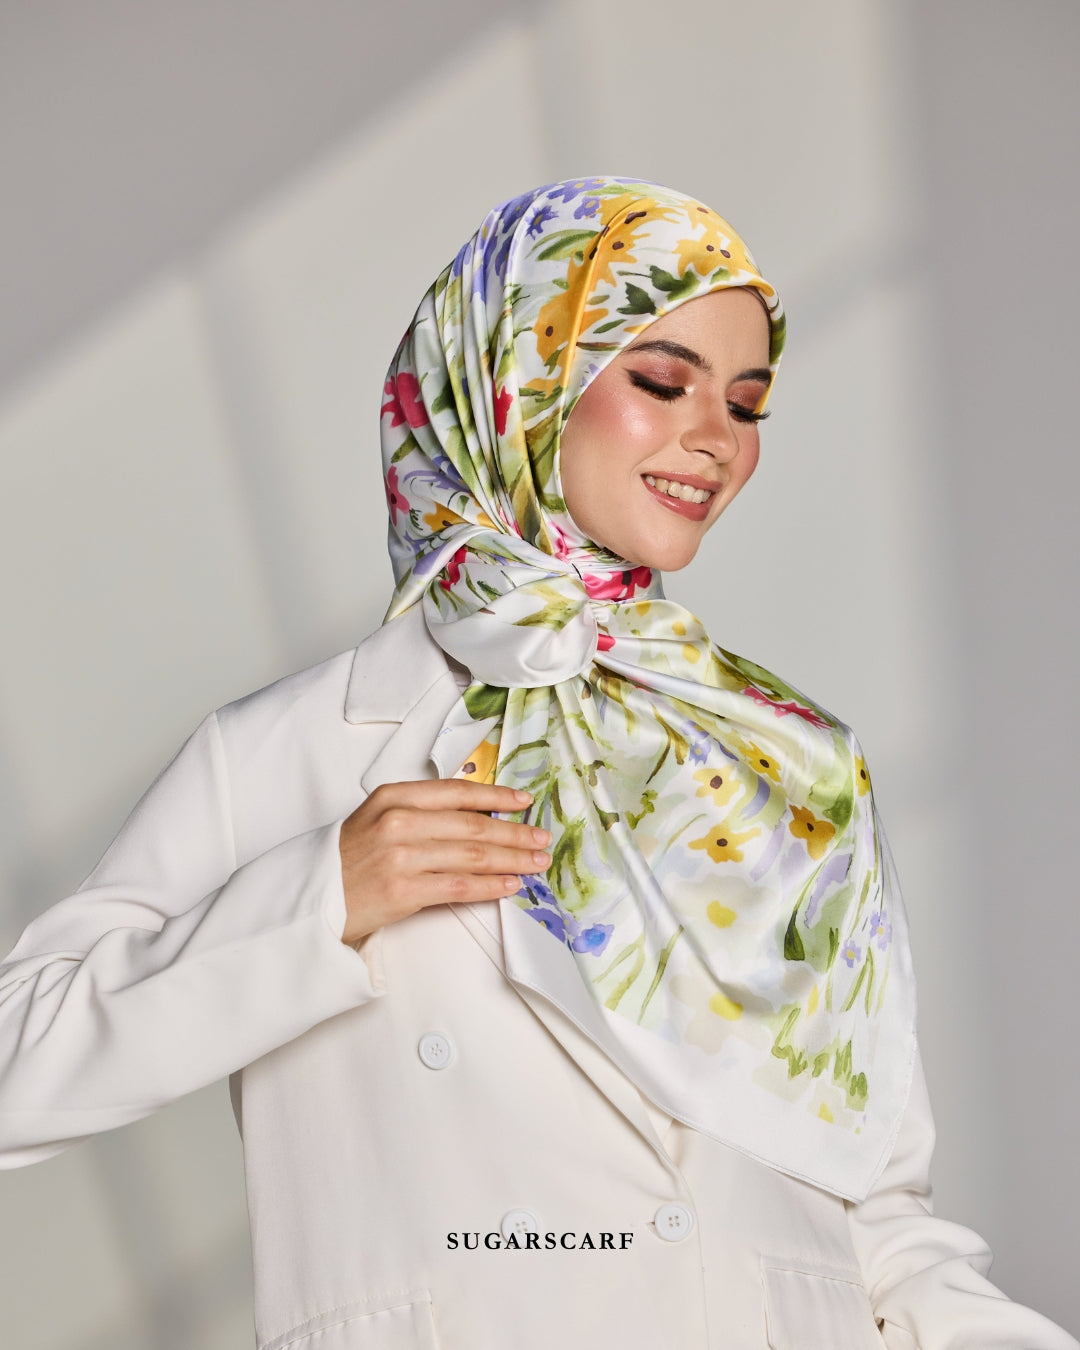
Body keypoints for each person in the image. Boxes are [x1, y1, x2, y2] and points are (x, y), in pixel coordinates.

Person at [0, 176, 1074, 1350]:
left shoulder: (790, 761)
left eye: (748, 401)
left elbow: (878, 1217)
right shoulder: (296, 752)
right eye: (660, 381)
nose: (717, 438)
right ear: (513, 379)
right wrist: (318, 902)